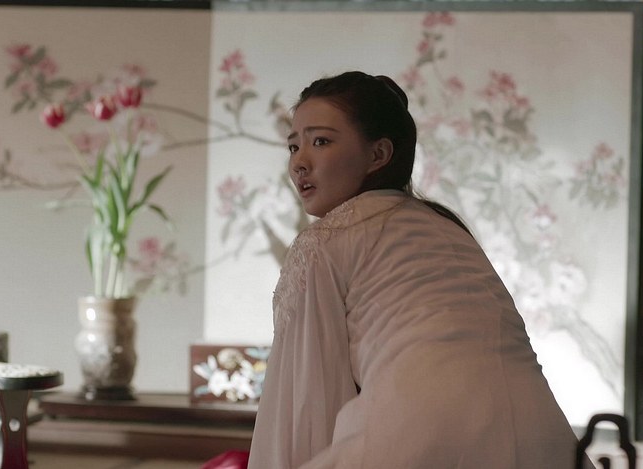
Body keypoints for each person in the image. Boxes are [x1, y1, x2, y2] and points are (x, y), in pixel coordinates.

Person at [247, 71, 592, 469]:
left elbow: (302, 403)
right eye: (294, 146)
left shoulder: (323, 242)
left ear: (379, 154)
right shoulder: (448, 228)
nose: (299, 164)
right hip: (542, 436)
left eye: (321, 141)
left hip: (419, 435)